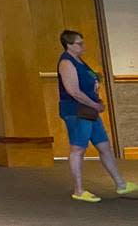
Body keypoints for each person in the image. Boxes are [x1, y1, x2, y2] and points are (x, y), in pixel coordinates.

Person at [57, 29, 138, 202]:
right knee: (78, 149)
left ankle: (121, 184)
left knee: (104, 146)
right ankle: (78, 190)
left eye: (82, 42)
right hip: (76, 110)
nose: (83, 46)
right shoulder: (66, 62)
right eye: (79, 43)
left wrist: (96, 99)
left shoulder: (80, 61)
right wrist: (94, 104)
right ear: (69, 45)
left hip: (89, 110)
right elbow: (73, 91)